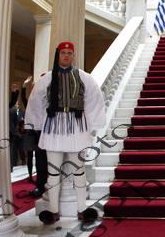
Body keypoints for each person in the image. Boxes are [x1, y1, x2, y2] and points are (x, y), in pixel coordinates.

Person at [26, 42, 106, 224]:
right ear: (58, 54)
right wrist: (37, 124)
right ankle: (53, 210)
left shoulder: (84, 77)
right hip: (53, 127)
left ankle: (82, 209)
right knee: (53, 172)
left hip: (76, 127)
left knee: (79, 170)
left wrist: (90, 124)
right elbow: (36, 101)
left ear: (73, 55)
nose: (67, 55)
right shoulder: (47, 78)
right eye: (63, 52)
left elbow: (94, 99)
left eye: (70, 53)